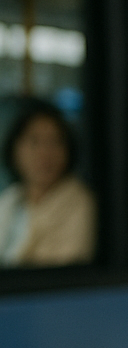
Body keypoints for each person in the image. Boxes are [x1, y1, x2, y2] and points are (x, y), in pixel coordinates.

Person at [0, 98, 96, 266]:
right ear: (15, 148)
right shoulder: (10, 199)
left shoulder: (77, 203)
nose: (45, 153)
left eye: (55, 142)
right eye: (34, 142)